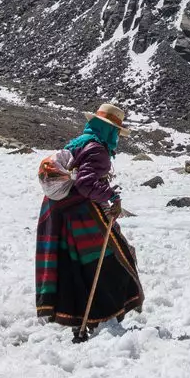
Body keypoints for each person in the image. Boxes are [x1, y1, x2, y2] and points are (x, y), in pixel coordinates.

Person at [35, 101, 144, 339]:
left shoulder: (80, 142)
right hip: (81, 214)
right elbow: (85, 184)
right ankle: (99, 316)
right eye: (116, 131)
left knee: (75, 264)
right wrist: (112, 196)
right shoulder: (98, 150)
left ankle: (82, 318)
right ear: (110, 131)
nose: (117, 136)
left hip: (59, 211)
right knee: (112, 258)